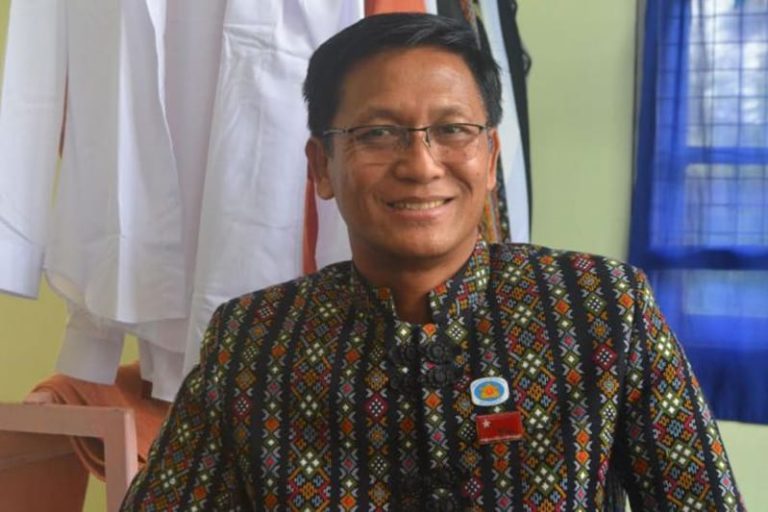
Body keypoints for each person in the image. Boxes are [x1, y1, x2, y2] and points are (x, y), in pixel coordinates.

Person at [121, 12, 744, 511]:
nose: (421, 165)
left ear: (490, 158)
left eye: (452, 130)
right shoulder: (254, 341)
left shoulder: (602, 307)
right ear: (321, 167)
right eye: (377, 133)